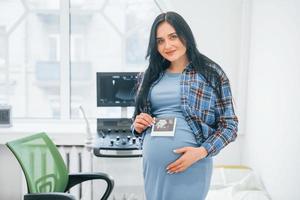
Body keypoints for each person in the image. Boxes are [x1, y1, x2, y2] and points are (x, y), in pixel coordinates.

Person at [132, 11, 238, 200]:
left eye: (173, 36)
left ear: (185, 35)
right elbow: (138, 121)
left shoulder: (211, 74)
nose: (167, 45)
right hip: (153, 168)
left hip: (192, 165)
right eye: (160, 41)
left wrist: (201, 152)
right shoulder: (148, 77)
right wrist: (137, 125)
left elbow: (230, 125)